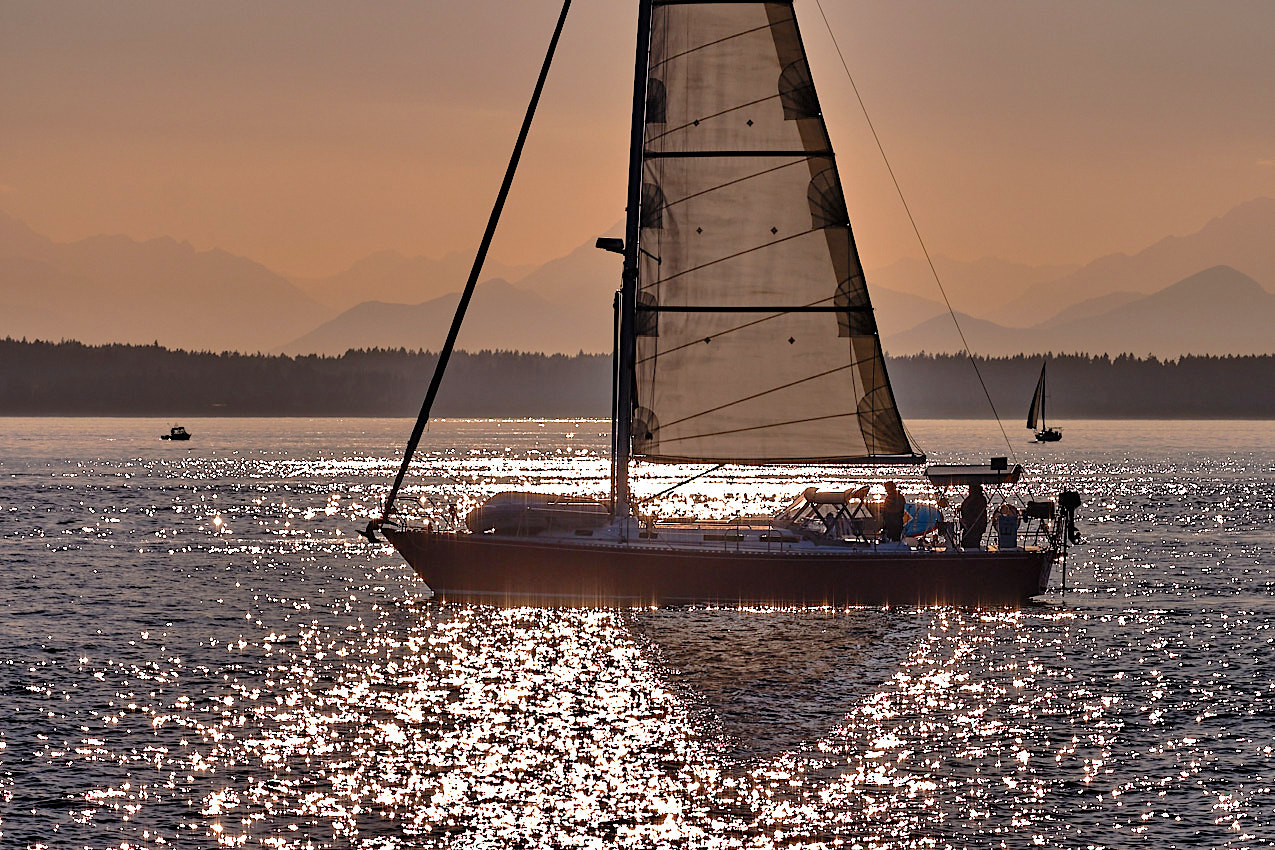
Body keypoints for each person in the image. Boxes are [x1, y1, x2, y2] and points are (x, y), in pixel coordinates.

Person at [960, 483, 987, 549]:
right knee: (969, 542)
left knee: (971, 541)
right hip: (971, 526)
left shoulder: (979, 500)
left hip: (974, 526)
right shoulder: (973, 500)